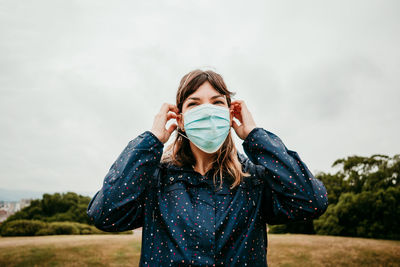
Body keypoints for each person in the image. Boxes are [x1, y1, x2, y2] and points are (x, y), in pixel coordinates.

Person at [87, 69, 329, 266]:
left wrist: (255, 136)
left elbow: (312, 201)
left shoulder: (253, 179)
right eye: (194, 104)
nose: (207, 111)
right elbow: (105, 214)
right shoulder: (154, 179)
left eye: (217, 103)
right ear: (180, 119)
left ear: (230, 113)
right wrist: (151, 139)